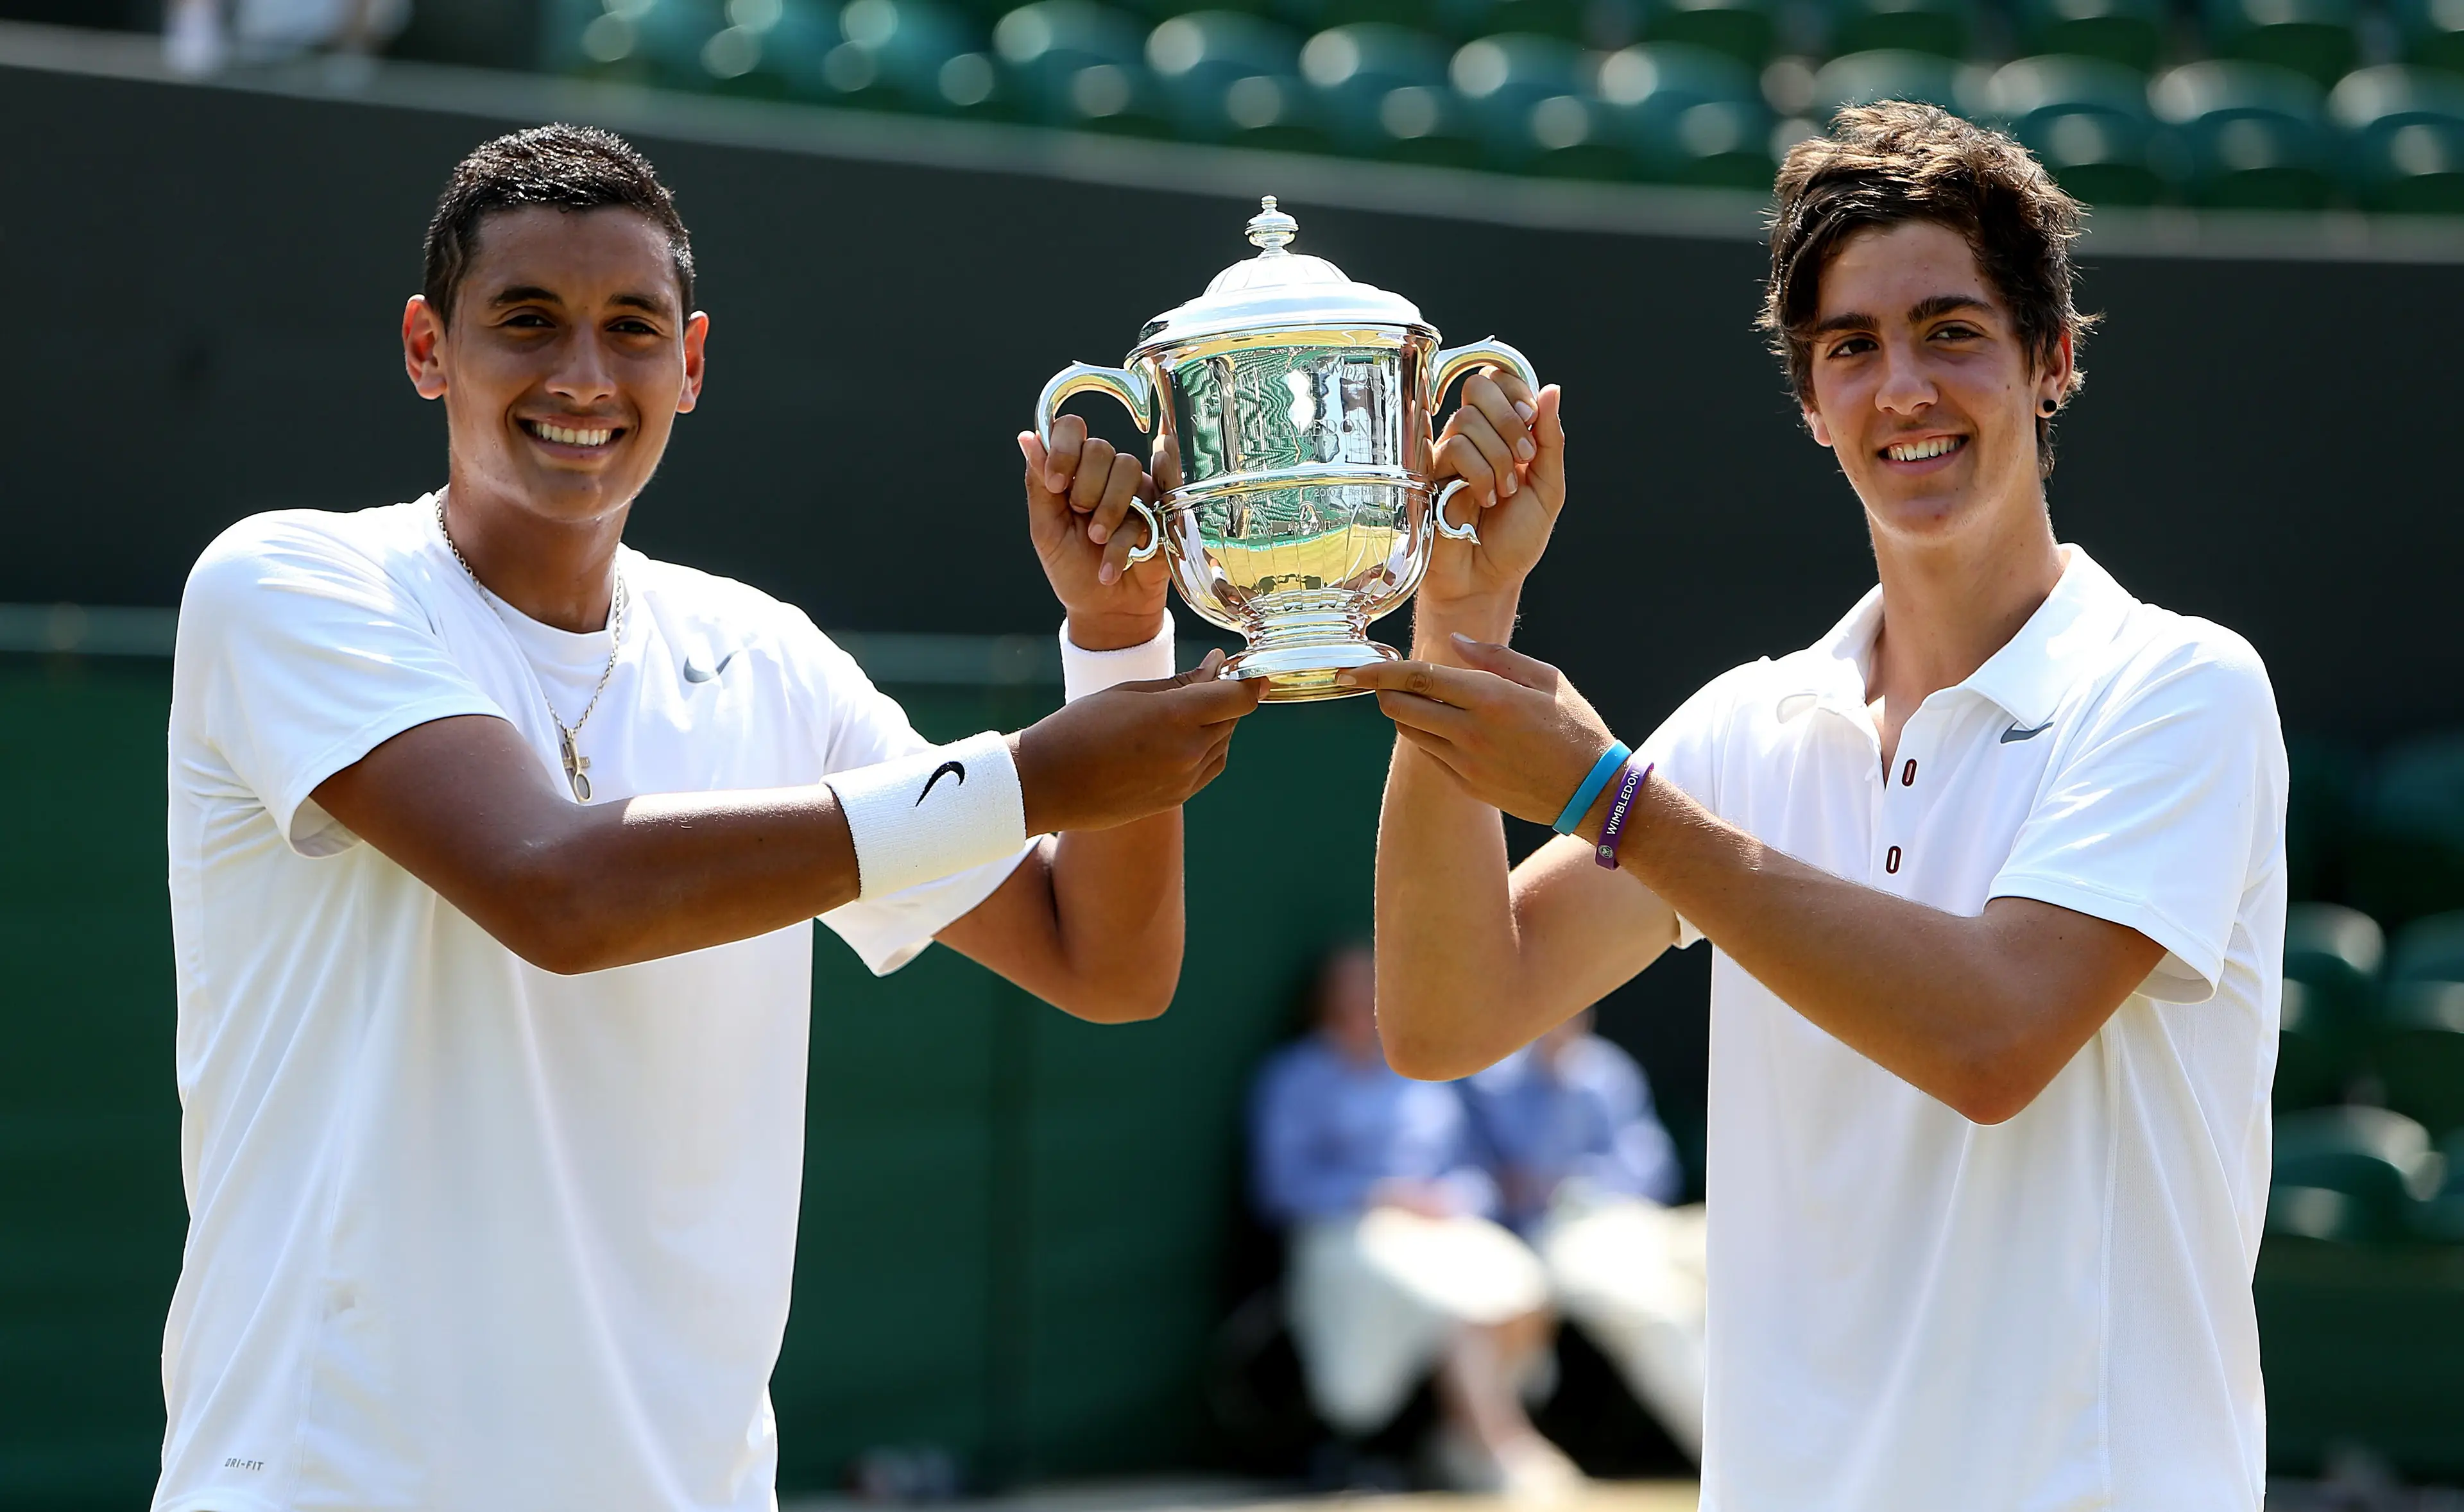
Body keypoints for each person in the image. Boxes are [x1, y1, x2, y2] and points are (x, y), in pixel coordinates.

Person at [157, 124, 1260, 1512]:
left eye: (632, 329)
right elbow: (557, 889)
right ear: (429, 348)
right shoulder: (288, 583)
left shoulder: (767, 652)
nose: (582, 375)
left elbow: (1101, 958)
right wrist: (1036, 773)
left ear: (691, 362)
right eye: (527, 321)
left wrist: (1112, 634)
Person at [1346, 103, 2288, 1511]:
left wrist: (1611, 796)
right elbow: (1445, 1016)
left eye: (1952, 330)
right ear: (1809, 399)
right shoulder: (1747, 725)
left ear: (2053, 360)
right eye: (1852, 347)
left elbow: (1990, 1036)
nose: (1901, 385)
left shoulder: (2181, 687)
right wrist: (1462, 623)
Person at [1247, 945, 1580, 1497]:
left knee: (1526, 1287)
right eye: (1352, 995)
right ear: (1324, 1002)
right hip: (1349, 1230)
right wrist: (1376, 1194)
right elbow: (1280, 1186)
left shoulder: (1423, 1072)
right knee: (1458, 1305)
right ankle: (1506, 1450)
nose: (1366, 1007)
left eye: (1376, 994)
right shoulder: (1294, 1078)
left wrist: (1452, 1197)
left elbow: (1472, 1169)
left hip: (1444, 1227)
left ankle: (1462, 1442)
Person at [1463, 1012, 1707, 1458]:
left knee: (1735, 1262)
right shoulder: (1490, 1081)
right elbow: (1484, 1183)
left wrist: (1574, 1180)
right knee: (1659, 1310)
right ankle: (1732, 1453)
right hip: (1558, 1238)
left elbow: (1652, 1166)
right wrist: (1529, 1188)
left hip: (1638, 1222)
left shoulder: (1608, 1071)